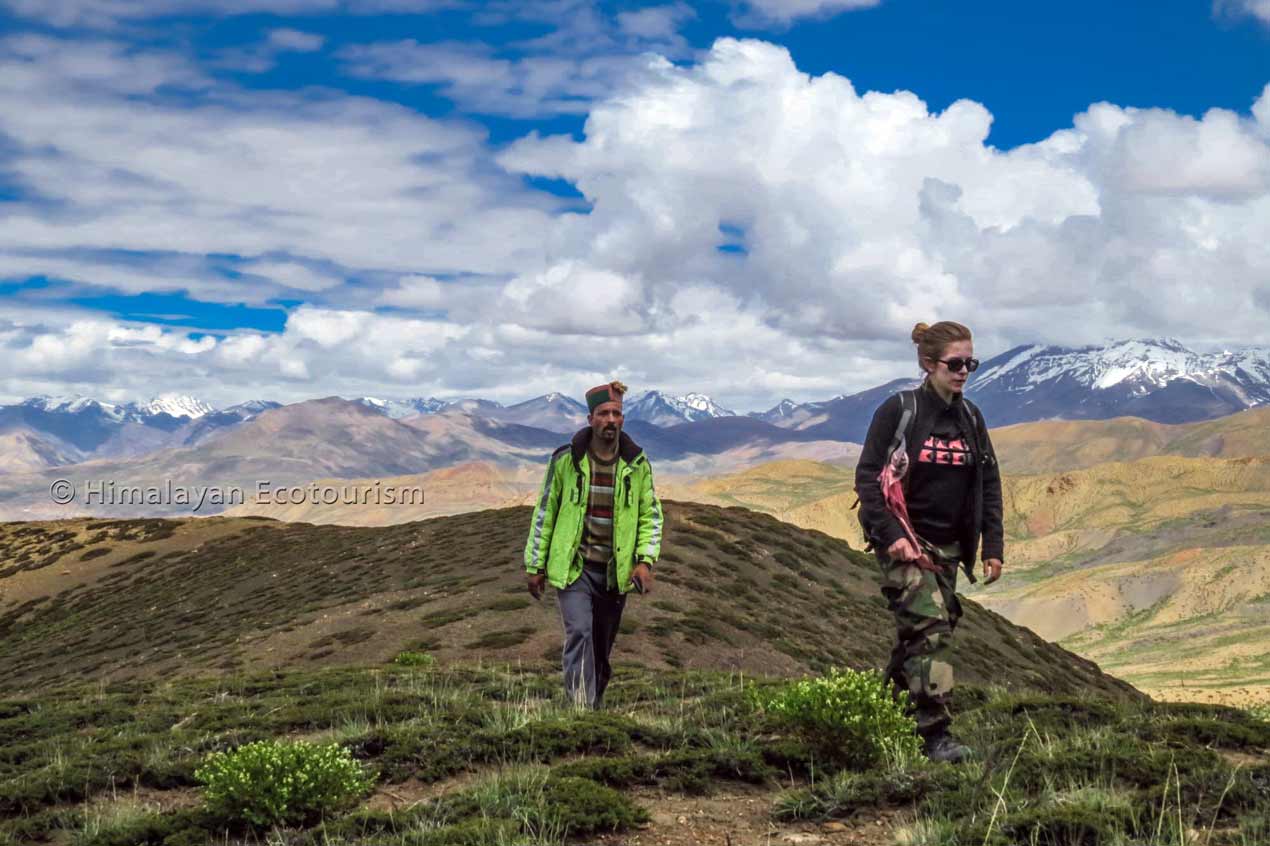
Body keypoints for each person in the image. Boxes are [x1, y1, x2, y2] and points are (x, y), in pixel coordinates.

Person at [853, 321, 1004, 763]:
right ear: (928, 364)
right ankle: (933, 734)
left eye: (970, 364)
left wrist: (992, 545)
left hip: (949, 548)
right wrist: (894, 536)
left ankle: (886, 709)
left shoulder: (971, 417)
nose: (963, 372)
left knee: (922, 634)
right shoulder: (900, 410)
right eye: (955, 364)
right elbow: (867, 476)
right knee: (932, 633)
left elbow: (988, 481)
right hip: (904, 538)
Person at [524, 380, 663, 708]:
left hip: (616, 572)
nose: (611, 419)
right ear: (591, 419)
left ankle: (594, 705)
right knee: (580, 634)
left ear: (623, 420)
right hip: (575, 569)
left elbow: (650, 515)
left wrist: (645, 561)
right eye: (604, 413)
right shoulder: (565, 462)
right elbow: (546, 511)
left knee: (601, 645)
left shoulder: (637, 465)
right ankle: (579, 709)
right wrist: (535, 565)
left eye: (617, 413)